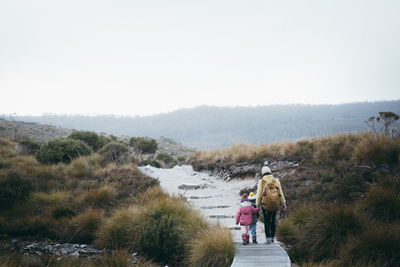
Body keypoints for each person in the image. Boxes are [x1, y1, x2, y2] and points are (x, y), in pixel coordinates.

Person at [256, 166, 286, 244]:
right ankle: (272, 237)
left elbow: (259, 194)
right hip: (275, 204)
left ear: (263, 173)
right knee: (273, 220)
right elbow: (280, 193)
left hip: (265, 205)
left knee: (266, 220)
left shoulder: (262, 181)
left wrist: (257, 204)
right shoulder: (276, 180)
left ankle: (268, 238)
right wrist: (283, 203)